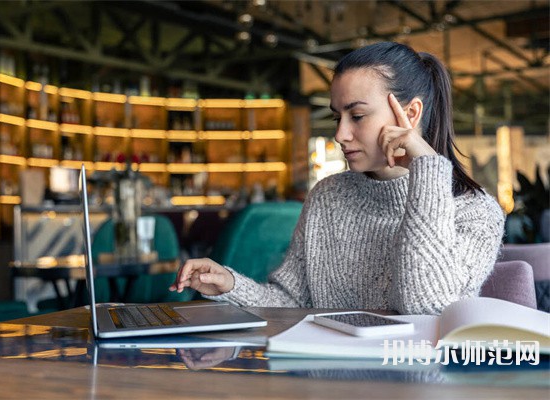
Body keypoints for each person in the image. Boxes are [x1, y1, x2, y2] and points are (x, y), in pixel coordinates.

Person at [169, 41, 505, 315]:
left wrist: (427, 170)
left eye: (357, 115)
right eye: (337, 117)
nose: (341, 134)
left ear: (411, 114)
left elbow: (429, 307)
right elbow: (293, 304)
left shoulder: (476, 213)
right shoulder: (328, 196)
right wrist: (232, 285)